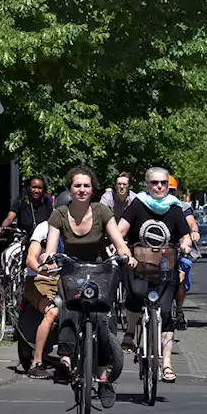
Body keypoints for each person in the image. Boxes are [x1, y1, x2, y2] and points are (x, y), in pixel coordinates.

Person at [42, 166, 136, 401]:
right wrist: (47, 257)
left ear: (92, 189)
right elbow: (51, 247)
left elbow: (118, 241)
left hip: (98, 271)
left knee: (100, 320)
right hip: (71, 270)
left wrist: (127, 255)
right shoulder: (59, 214)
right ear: (70, 189)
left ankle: (103, 379)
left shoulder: (102, 212)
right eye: (77, 186)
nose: (82, 190)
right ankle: (65, 360)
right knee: (66, 307)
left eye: (86, 186)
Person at [116, 167, 192, 384]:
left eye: (163, 183)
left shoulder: (174, 208)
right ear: (147, 185)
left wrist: (185, 245)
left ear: (168, 185)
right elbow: (120, 230)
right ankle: (131, 330)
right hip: (139, 263)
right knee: (134, 295)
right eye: (154, 183)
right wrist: (121, 249)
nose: (159, 187)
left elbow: (184, 236)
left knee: (166, 313)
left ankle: (166, 364)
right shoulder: (138, 204)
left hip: (166, 267)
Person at [21, 219, 56, 378]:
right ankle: (37, 362)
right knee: (52, 312)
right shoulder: (44, 228)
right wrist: (42, 270)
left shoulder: (79, 228)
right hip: (39, 280)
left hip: (66, 280)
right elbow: (30, 258)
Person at [168, 176, 199, 331]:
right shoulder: (151, 206)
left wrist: (193, 232)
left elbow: (191, 222)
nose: (169, 193)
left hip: (177, 249)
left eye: (172, 190)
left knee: (181, 276)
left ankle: (179, 311)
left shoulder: (182, 207)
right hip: (156, 250)